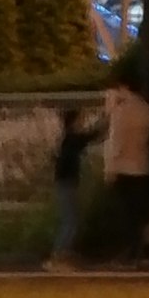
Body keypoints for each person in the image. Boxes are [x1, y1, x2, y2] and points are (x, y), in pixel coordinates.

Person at [97, 63, 149, 262]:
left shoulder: (121, 112)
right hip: (143, 166)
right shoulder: (147, 110)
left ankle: (129, 252)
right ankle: (138, 251)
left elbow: (116, 142)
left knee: (126, 215)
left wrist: (109, 169)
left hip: (124, 168)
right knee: (139, 214)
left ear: (123, 87)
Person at [50, 98, 96, 267]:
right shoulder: (72, 139)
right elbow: (91, 136)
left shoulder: (67, 139)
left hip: (64, 182)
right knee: (71, 221)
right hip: (67, 182)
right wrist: (108, 119)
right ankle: (59, 253)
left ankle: (62, 254)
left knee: (70, 220)